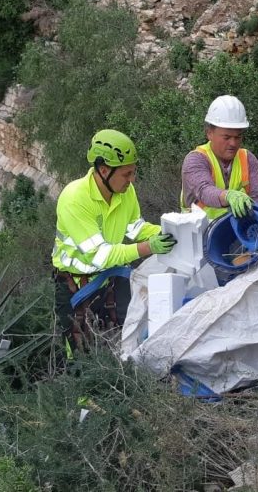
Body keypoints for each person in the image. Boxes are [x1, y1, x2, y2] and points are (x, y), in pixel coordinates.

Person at [52, 129, 176, 355]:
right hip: (75, 286)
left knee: (122, 340)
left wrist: (169, 231)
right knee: (81, 353)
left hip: (108, 280)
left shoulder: (124, 191)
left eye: (133, 173)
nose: (132, 180)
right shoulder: (75, 198)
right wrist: (148, 247)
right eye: (126, 174)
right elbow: (99, 256)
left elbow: (135, 228)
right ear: (103, 170)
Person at [181, 95, 258, 220]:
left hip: (237, 230)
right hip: (198, 233)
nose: (233, 143)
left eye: (238, 137)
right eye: (226, 137)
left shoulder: (247, 158)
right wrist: (228, 196)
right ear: (209, 133)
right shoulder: (196, 160)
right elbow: (204, 191)